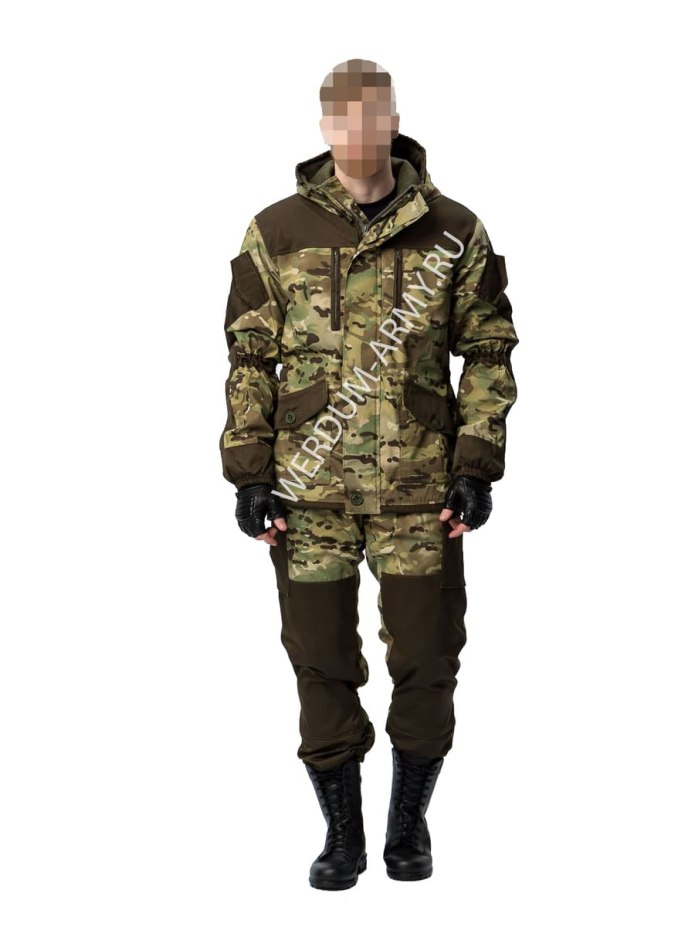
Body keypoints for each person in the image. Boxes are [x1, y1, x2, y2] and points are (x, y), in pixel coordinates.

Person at [219, 58, 519, 890]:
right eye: (344, 119)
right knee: (319, 661)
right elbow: (249, 357)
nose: (359, 132)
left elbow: (487, 350)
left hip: (420, 493)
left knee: (427, 657)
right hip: (306, 492)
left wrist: (475, 465)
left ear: (392, 120)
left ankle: (408, 822)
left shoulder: (453, 229)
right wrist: (249, 473)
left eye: (373, 116)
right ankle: (342, 834)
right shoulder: (275, 230)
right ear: (325, 127)